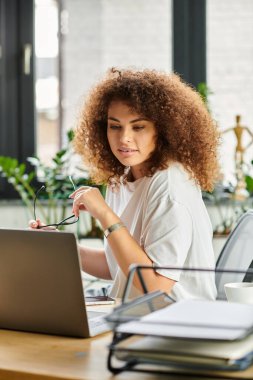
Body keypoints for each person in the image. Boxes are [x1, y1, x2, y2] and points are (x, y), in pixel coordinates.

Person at [30, 68, 220, 301]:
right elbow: (117, 268)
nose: (124, 138)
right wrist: (60, 247)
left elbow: (155, 287)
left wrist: (105, 214)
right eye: (115, 126)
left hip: (176, 323)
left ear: (162, 131)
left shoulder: (170, 186)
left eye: (138, 127)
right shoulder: (122, 178)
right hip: (129, 315)